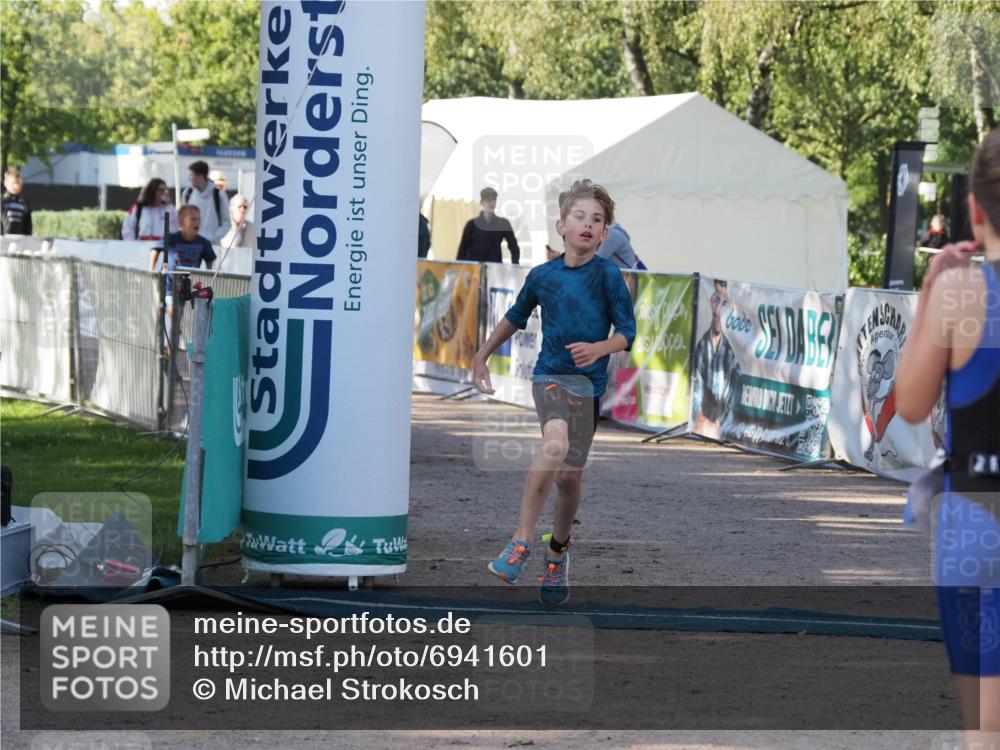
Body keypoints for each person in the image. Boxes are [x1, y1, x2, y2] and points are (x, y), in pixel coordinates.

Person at [472, 180, 636, 606]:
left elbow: (627, 334)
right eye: (579, 217)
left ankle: (557, 553)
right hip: (549, 377)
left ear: (604, 235)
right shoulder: (543, 276)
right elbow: (514, 316)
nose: (588, 224)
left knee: (569, 477)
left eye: (597, 220)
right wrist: (482, 355)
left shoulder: (608, 275)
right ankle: (520, 542)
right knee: (554, 444)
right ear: (561, 226)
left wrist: (600, 348)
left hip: (589, 386)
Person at [897, 128, 1000, 739]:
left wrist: (934, 285)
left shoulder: (963, 291)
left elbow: (909, 405)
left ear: (975, 208)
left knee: (984, 731)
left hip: (976, 524)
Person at [690, 279, 741, 440]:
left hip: (723, 429)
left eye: (725, 303)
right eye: (715, 300)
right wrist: (699, 417)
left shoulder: (735, 351)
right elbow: (695, 387)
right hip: (702, 426)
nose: (718, 310)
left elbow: (734, 398)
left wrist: (721, 425)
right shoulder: (702, 346)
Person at [149, 204, 216, 313]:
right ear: (182, 222)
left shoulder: (204, 243)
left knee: (184, 317)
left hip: (191, 289)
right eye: (193, 219)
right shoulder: (172, 239)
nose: (197, 222)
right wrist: (151, 271)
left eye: (199, 219)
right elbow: (155, 249)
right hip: (170, 289)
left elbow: (210, 259)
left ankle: (177, 329)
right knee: (173, 312)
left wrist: (206, 277)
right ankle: (176, 327)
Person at [456, 187, 520, 264]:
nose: (491, 203)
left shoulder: (503, 223)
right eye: (488, 200)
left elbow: (514, 247)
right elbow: (462, 249)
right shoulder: (471, 225)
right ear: (481, 202)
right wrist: (459, 268)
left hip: (495, 270)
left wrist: (514, 266)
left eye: (493, 200)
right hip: (474, 270)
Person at [181, 160, 229, 242]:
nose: (189, 178)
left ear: (200, 176)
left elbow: (226, 223)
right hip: (190, 244)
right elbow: (182, 219)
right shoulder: (187, 193)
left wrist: (214, 237)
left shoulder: (219, 195)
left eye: (191, 175)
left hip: (211, 246)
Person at [121, 178, 178, 242]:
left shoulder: (169, 208)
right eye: (161, 190)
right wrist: (132, 245)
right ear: (152, 191)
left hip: (162, 246)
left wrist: (169, 206)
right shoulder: (138, 208)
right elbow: (128, 228)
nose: (164, 193)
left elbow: (175, 228)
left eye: (165, 190)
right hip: (141, 246)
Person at [1, 167, 32, 235]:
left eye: (18, 183)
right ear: (6, 183)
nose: (16, 186)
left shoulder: (24, 204)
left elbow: (28, 225)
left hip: (19, 239)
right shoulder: (2, 201)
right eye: (13, 183)